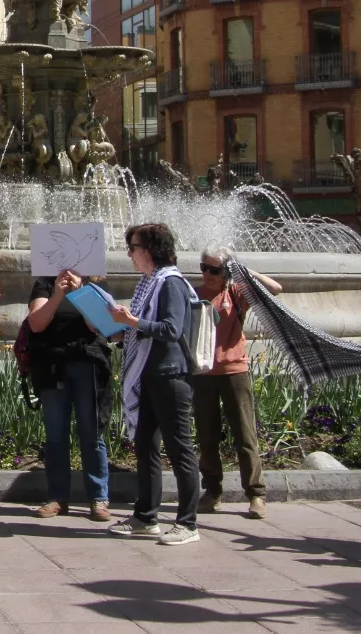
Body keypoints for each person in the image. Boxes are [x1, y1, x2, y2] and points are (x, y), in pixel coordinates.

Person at [108, 222, 201, 546]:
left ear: (150, 250)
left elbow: (172, 329)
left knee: (179, 450)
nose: (130, 254)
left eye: (133, 248)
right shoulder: (148, 283)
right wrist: (118, 330)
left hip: (171, 374)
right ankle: (145, 517)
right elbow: (145, 331)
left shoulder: (170, 282)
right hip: (149, 373)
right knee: (145, 446)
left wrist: (131, 322)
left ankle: (188, 523)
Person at [193, 247, 282, 520]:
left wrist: (242, 270)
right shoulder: (194, 294)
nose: (207, 274)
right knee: (207, 436)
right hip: (202, 373)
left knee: (245, 435)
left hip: (234, 370)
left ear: (227, 272)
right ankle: (212, 492)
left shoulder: (236, 293)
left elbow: (275, 289)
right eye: (203, 267)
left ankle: (256, 494)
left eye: (214, 269)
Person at [24, 262, 113, 522]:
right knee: (56, 433)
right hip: (52, 364)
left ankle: (99, 498)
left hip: (88, 361)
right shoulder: (45, 283)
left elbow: (99, 326)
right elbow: (37, 324)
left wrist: (81, 293)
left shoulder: (97, 284)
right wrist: (58, 295)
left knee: (91, 431)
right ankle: (57, 497)